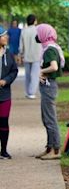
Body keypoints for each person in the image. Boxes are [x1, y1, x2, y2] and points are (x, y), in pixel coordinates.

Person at [35, 24, 64, 160]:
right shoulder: (50, 48)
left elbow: (54, 67)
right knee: (46, 118)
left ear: (43, 35)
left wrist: (41, 71)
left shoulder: (50, 50)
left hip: (49, 87)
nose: (37, 36)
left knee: (50, 119)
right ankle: (49, 147)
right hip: (47, 86)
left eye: (39, 33)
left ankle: (56, 150)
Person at [0, 26, 19, 159]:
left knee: (3, 122)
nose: (6, 37)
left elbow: (14, 71)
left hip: (5, 95)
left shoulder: (9, 54)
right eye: (3, 35)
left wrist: (6, 80)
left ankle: (4, 151)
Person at [19, 14, 42, 99]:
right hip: (37, 55)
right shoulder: (38, 30)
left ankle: (28, 92)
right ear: (35, 21)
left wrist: (20, 54)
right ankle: (32, 92)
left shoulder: (24, 31)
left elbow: (21, 45)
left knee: (28, 75)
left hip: (26, 56)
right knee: (35, 75)